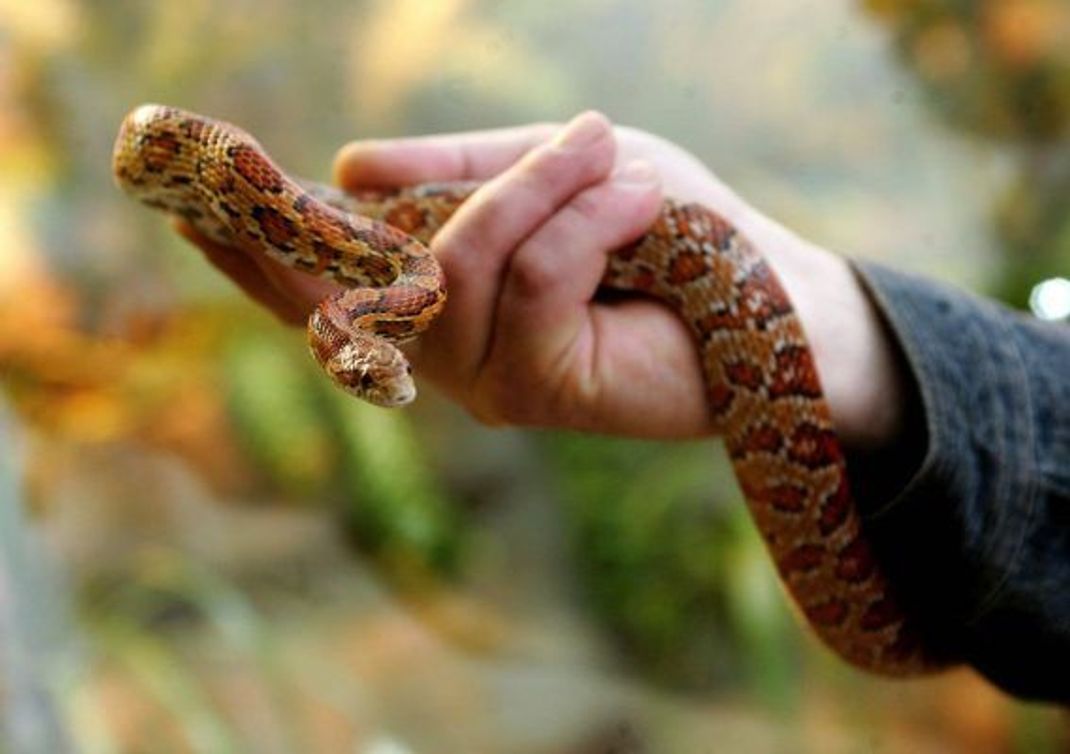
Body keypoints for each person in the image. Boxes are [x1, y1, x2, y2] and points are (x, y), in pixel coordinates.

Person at [176, 112, 1070, 703]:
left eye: (381, 375)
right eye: (377, 382)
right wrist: (855, 341)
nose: (393, 387)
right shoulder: (366, 279)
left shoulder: (393, 280)